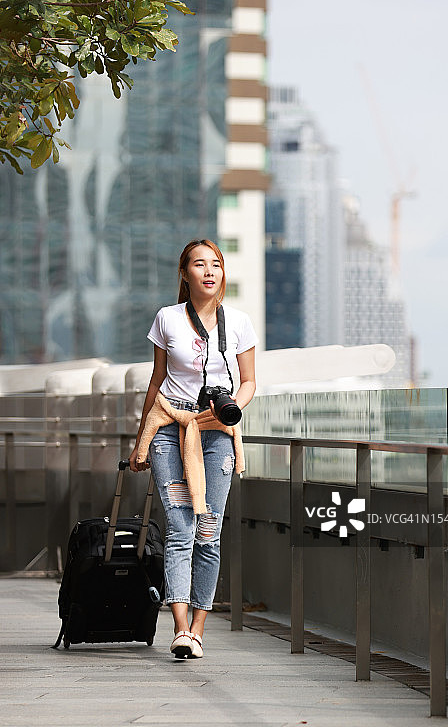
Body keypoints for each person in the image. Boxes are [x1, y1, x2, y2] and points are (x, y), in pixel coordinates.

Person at [129, 239, 257, 659]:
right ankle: (181, 628)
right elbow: (156, 379)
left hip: (217, 433)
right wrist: (140, 441)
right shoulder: (167, 318)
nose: (209, 271)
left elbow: (250, 380)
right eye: (198, 265)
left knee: (208, 532)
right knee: (181, 529)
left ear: (223, 273)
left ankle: (200, 628)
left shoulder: (238, 322)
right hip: (171, 429)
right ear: (184, 274)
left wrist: (234, 405)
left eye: (215, 264)